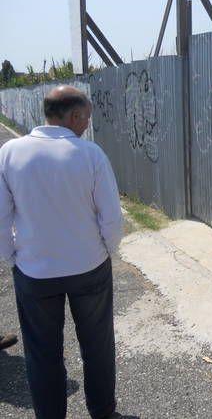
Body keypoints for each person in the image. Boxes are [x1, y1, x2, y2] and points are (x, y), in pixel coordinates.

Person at [0, 86, 123, 419]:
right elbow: (111, 217)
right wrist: (107, 251)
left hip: (34, 271)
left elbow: (1, 216)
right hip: (89, 267)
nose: (86, 124)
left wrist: (14, 257)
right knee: (97, 346)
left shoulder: (10, 152)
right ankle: (103, 412)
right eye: (85, 118)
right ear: (74, 116)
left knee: (42, 353)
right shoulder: (90, 154)